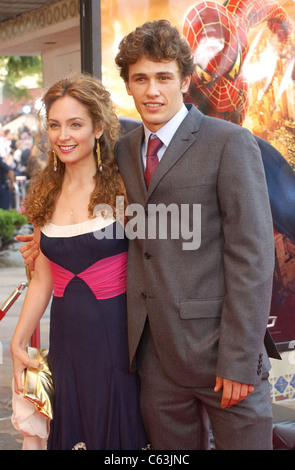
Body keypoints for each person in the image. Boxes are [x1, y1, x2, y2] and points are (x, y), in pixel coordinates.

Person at [18, 20, 276, 450]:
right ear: (129, 86)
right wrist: (48, 247)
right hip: (151, 360)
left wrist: (239, 360)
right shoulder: (122, 151)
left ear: (186, 81)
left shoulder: (230, 143)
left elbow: (252, 259)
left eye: (163, 77)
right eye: (141, 79)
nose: (152, 90)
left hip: (220, 355)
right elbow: (102, 221)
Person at [10, 74, 148, 450]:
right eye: (54, 125)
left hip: (119, 346)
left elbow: (156, 263)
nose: (63, 136)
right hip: (66, 345)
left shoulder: (126, 187)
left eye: (75, 124)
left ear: (98, 127)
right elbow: (42, 278)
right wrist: (18, 340)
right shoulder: (45, 192)